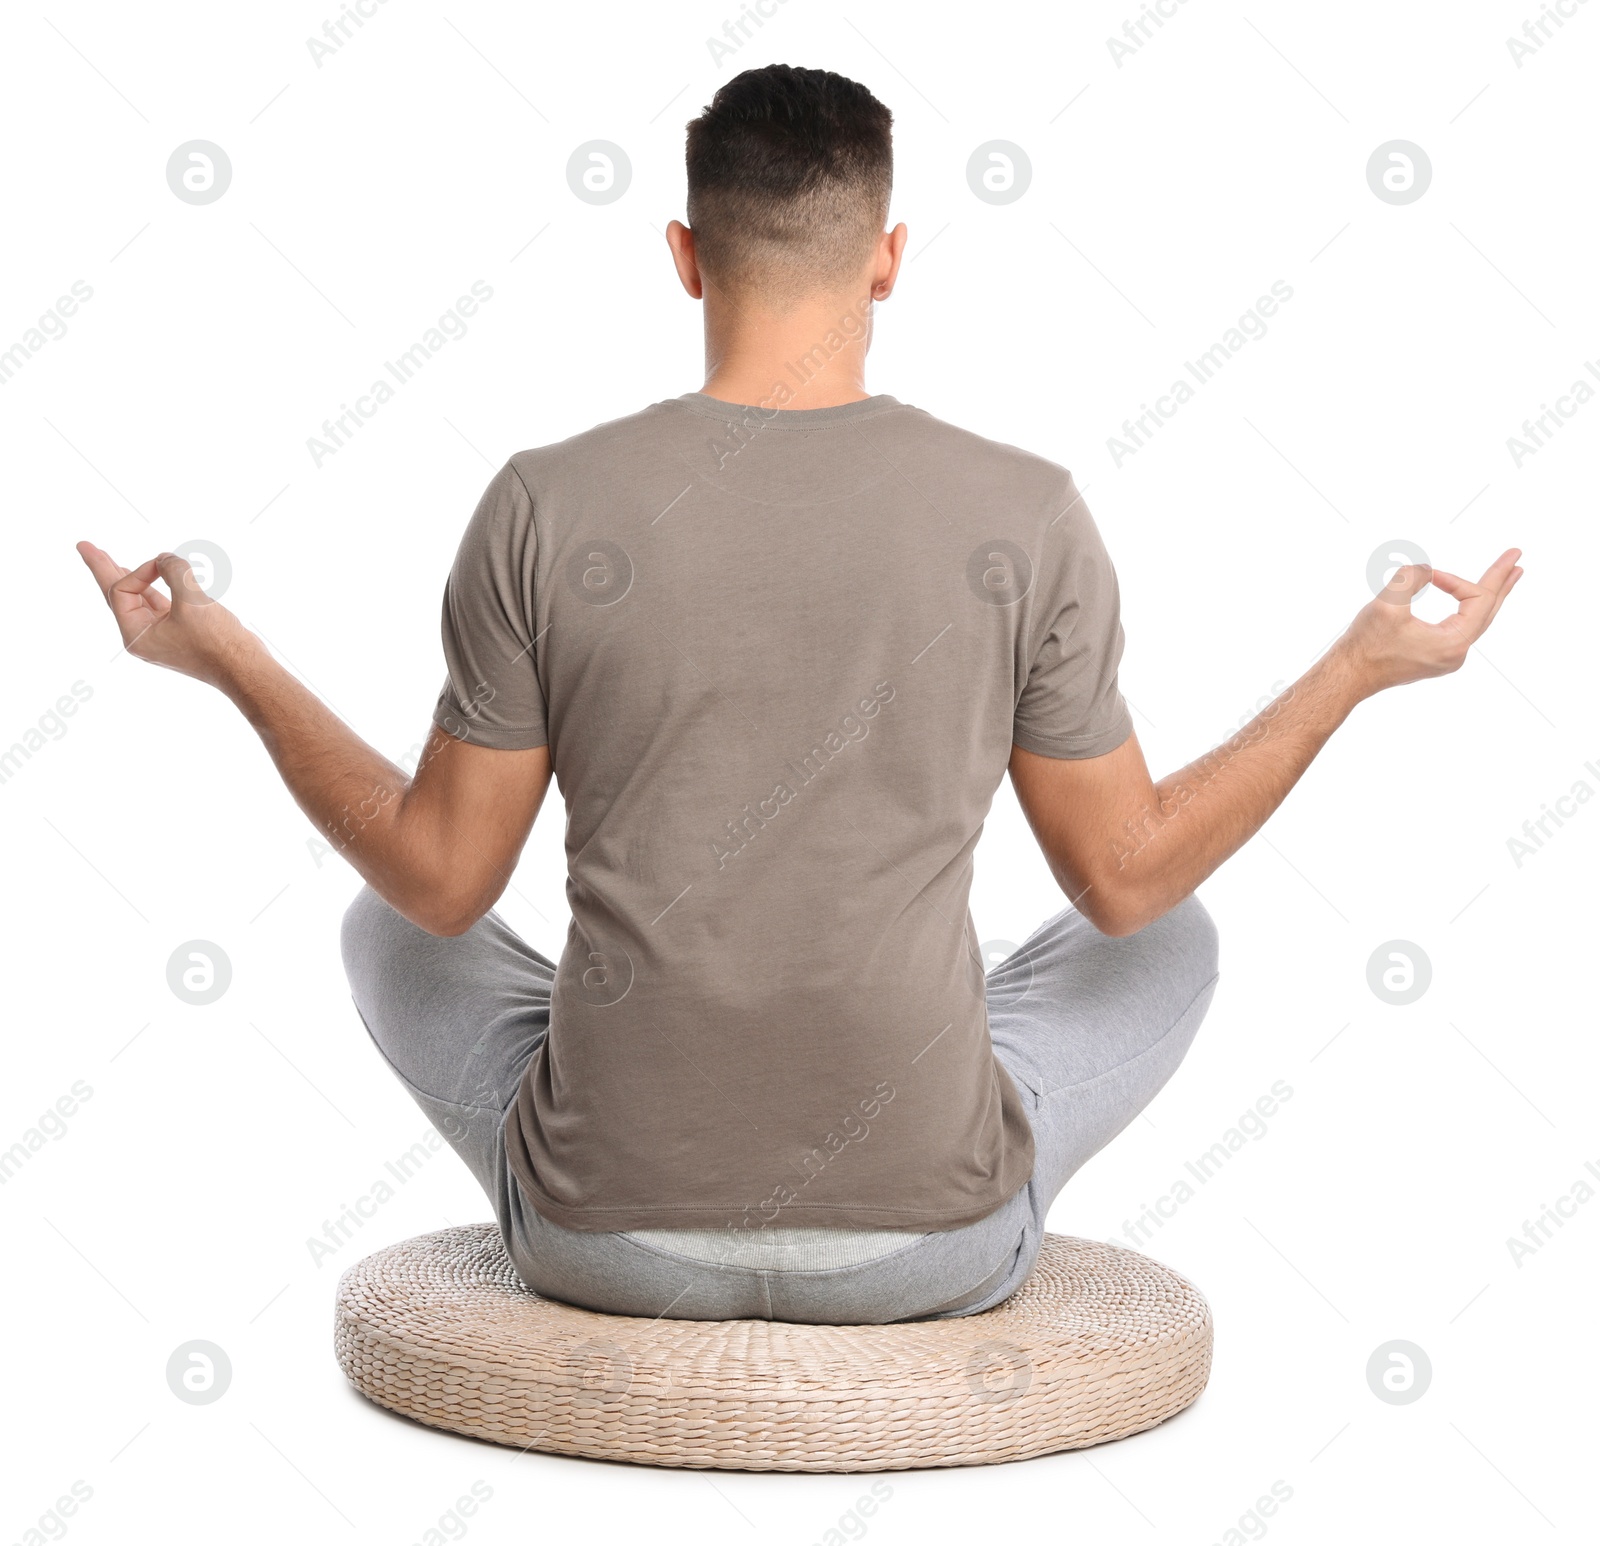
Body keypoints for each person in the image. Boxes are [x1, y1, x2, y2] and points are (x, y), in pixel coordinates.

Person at [78, 65, 1521, 1326]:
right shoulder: (1025, 514)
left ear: (683, 256)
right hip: (932, 1248)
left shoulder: (540, 503)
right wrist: (1356, 669)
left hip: (606, 1241)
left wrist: (234, 662)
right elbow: (1129, 878)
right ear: (890, 258)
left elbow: (446, 882)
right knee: (1171, 933)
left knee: (380, 918)